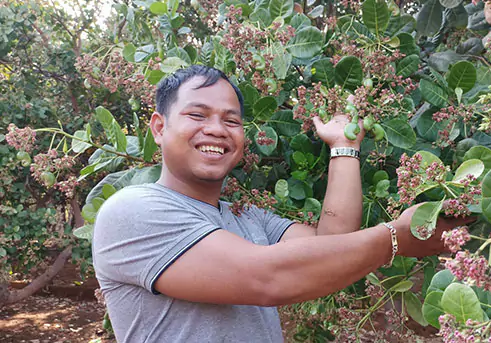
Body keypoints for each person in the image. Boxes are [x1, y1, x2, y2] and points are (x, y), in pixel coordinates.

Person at [92, 65, 468, 342]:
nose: (217, 129)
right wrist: (395, 238)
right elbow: (265, 278)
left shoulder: (246, 218)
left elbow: (332, 241)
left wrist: (344, 146)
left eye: (231, 120)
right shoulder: (131, 211)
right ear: (159, 128)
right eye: (197, 114)